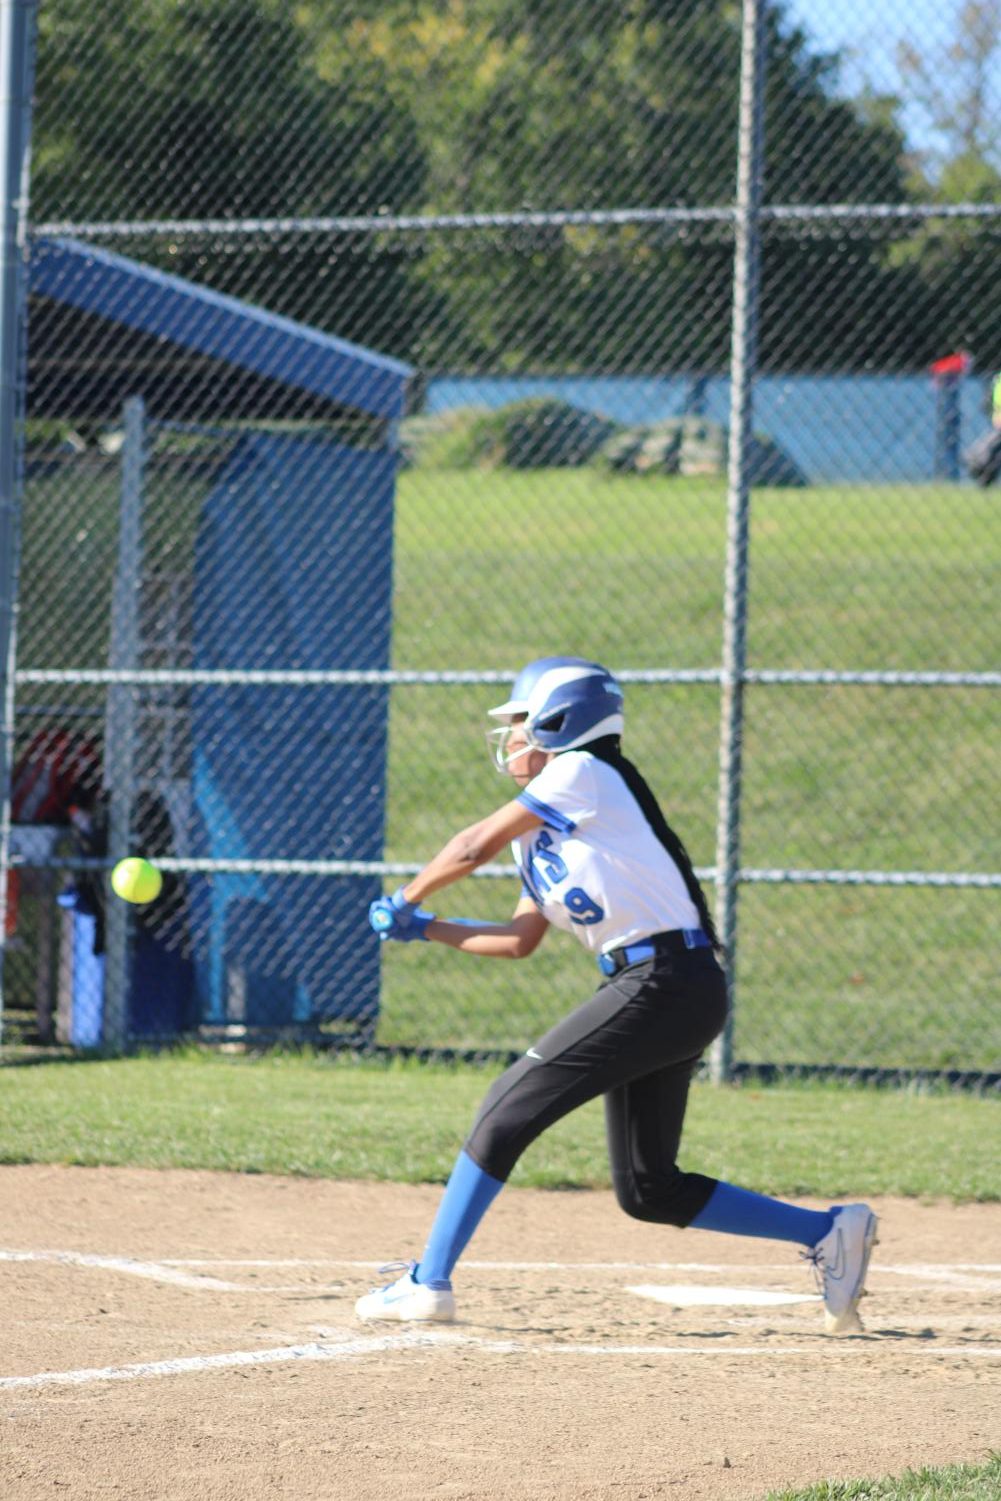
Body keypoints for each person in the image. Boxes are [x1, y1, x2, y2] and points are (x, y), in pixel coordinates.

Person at [356, 657, 878, 1334]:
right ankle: (830, 1231)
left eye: (519, 723)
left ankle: (427, 1282)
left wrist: (406, 893)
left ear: (557, 720)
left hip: (661, 980)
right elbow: (518, 938)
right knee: (647, 1187)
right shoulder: (546, 828)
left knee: (505, 1107)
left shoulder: (583, 773)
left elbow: (468, 845)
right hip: (666, 988)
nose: (510, 738)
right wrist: (428, 929)